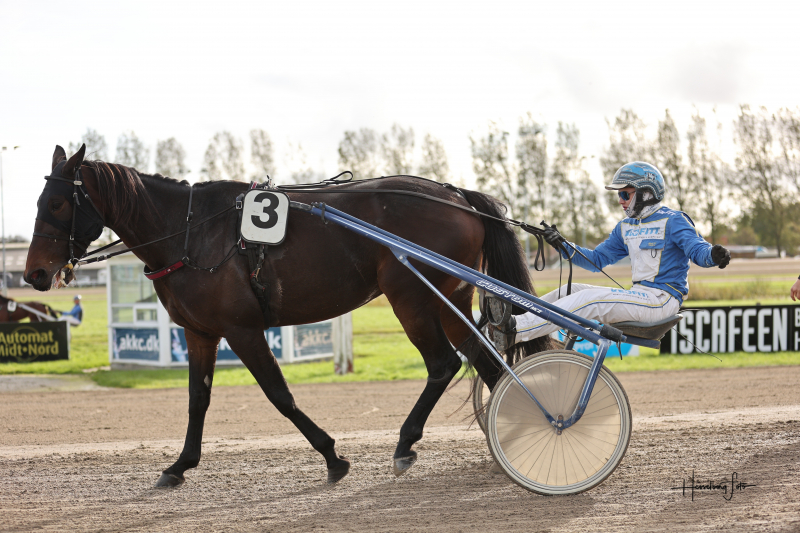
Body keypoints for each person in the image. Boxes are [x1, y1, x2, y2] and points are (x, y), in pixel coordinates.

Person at [489, 161, 732, 350]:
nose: (620, 201)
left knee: (592, 300)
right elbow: (597, 261)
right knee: (568, 292)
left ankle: (516, 330)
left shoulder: (674, 220)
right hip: (639, 297)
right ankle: (518, 315)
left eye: (625, 194)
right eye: (619, 195)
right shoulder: (625, 228)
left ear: (646, 193)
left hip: (661, 301)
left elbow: (698, 251)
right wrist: (563, 245)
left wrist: (714, 255)